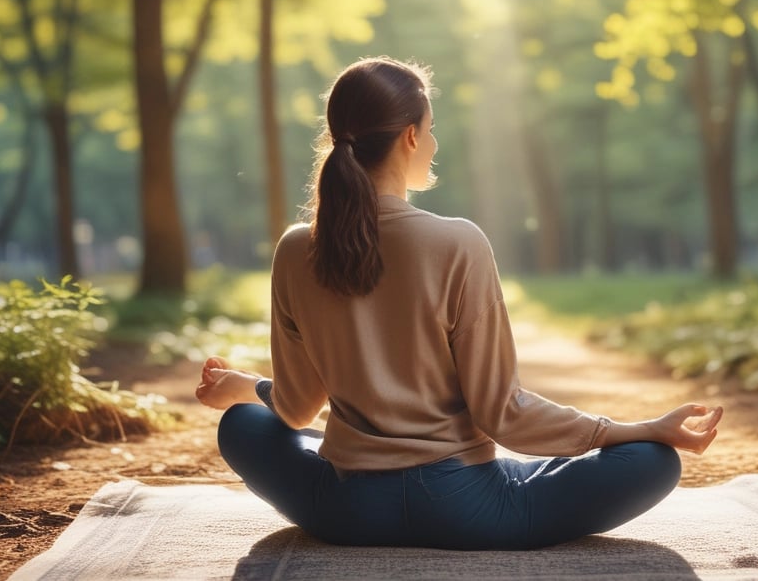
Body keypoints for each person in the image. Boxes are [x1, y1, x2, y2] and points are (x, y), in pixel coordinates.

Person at [195, 55, 723, 551]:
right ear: (409, 136)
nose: (434, 143)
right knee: (652, 461)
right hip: (467, 511)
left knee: (242, 424)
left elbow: (296, 408)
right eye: (430, 130)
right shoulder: (458, 242)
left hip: (345, 511)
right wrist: (638, 429)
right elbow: (503, 413)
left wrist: (244, 388)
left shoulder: (294, 248)